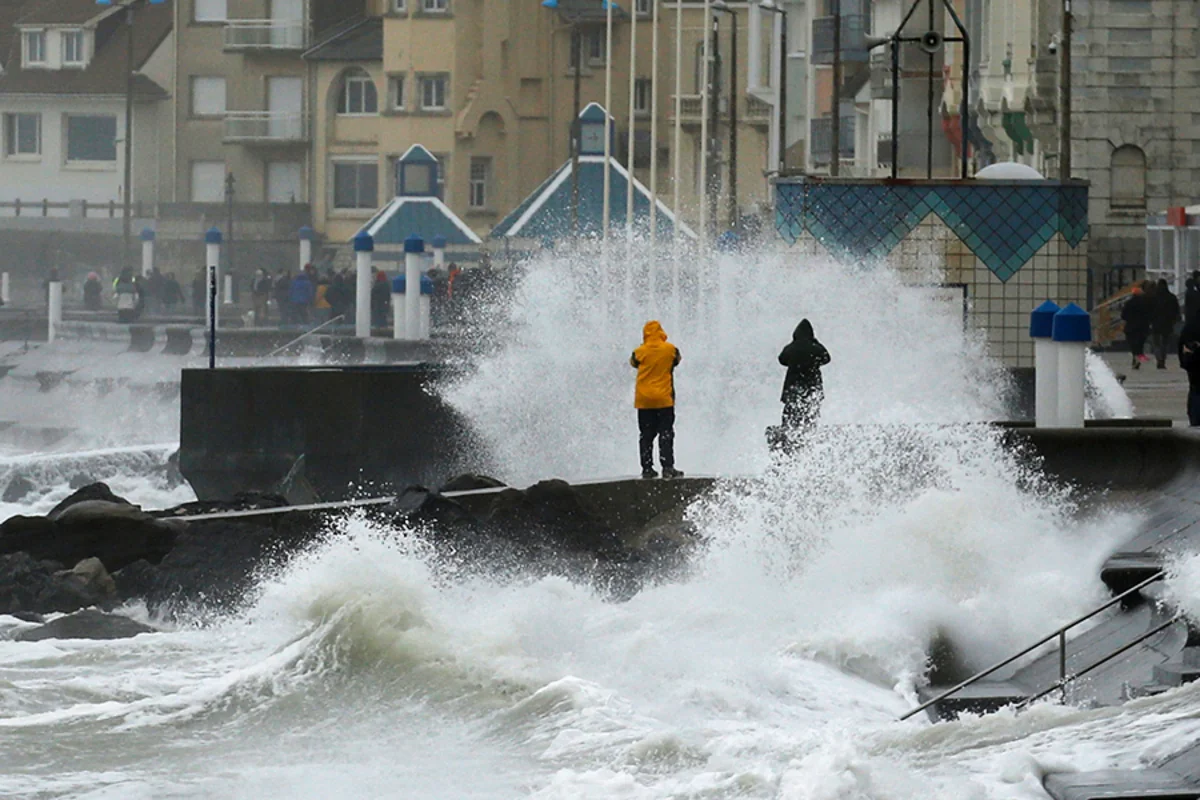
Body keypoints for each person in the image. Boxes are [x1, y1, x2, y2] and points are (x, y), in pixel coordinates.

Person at [630, 320, 683, 479]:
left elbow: (633, 363)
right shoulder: (671, 349)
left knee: (646, 434)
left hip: (644, 400)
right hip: (664, 399)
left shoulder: (639, 351)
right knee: (666, 432)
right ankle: (667, 467)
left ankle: (647, 468)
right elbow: (677, 361)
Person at [778, 319, 831, 434]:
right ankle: (810, 428)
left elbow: (782, 359)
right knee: (810, 406)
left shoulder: (791, 347)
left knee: (791, 407)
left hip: (793, 383)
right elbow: (826, 358)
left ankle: (788, 429)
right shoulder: (814, 346)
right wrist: (816, 344)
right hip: (812, 382)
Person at [1122, 282, 1153, 370]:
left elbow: (1123, 315)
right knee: (1140, 344)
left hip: (1131, 327)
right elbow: (1149, 314)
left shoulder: (1128, 303)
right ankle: (1137, 357)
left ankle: (1135, 357)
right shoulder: (1145, 303)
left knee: (1133, 344)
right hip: (1143, 327)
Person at [1152, 278, 1181, 370]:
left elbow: (1149, 310)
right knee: (1165, 342)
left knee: (1156, 342)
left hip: (1155, 323)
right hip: (1167, 323)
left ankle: (1158, 359)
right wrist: (1174, 320)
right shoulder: (1171, 297)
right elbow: (1176, 310)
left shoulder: (1154, 297)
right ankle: (1163, 359)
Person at [1180, 312, 1200, 425]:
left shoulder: (1192, 324)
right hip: (1194, 362)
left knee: (1195, 391)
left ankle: (1195, 420)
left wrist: (1184, 361)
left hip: (1194, 363)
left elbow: (1182, 342)